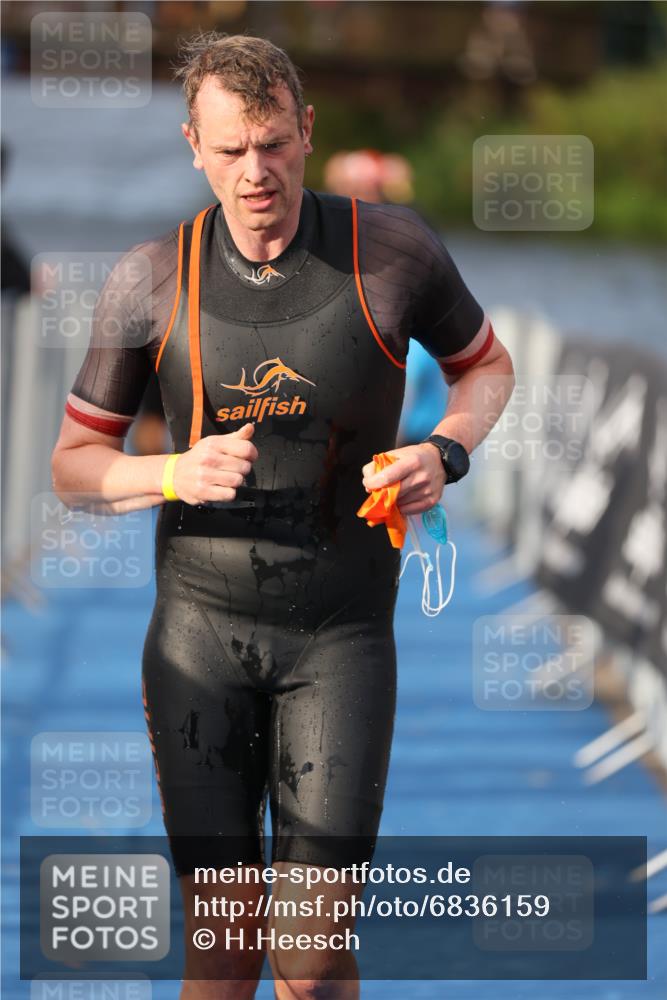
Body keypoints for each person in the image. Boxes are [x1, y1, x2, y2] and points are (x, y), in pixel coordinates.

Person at [51, 32, 515, 1000]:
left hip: (340, 640)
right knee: (220, 953)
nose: (253, 172)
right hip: (197, 643)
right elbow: (74, 468)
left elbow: (486, 366)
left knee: (307, 956)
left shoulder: (390, 252)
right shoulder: (149, 280)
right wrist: (173, 471)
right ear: (193, 147)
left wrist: (445, 449)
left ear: (305, 132)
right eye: (229, 151)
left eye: (270, 144)